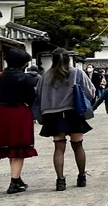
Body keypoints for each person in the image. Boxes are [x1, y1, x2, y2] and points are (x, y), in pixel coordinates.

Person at [36, 49, 96, 191]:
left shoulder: (45, 76)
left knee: (59, 147)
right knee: (78, 146)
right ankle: (81, 177)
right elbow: (91, 92)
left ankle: (60, 181)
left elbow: (38, 96)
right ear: (69, 59)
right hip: (72, 113)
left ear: (53, 59)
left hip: (52, 115)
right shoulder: (77, 73)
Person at [0, 48, 39, 194]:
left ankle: (17, 177)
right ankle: (14, 182)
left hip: (1, 113)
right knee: (19, 148)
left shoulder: (0, 76)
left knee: (10, 147)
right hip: (19, 112)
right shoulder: (26, 78)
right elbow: (31, 97)